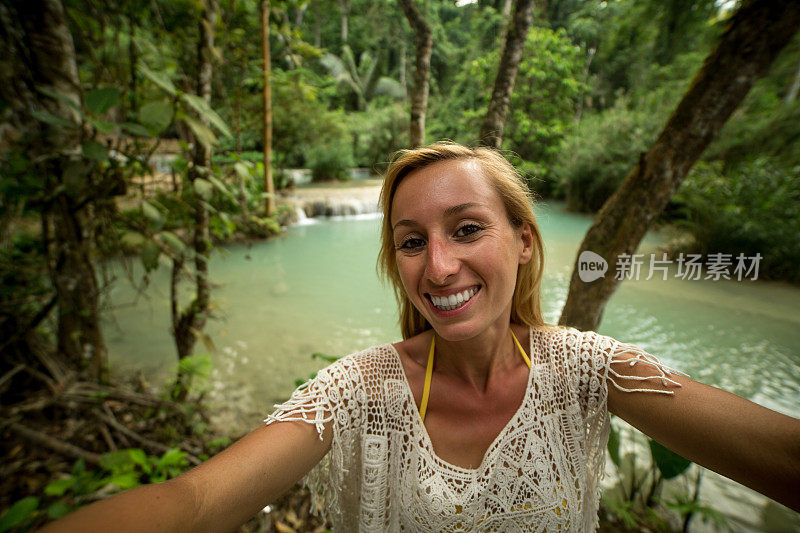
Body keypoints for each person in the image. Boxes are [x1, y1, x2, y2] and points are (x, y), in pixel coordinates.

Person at [41, 142, 800, 532]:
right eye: (411, 241)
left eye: (467, 229)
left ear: (525, 241)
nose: (438, 266)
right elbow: (197, 500)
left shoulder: (590, 371)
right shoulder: (360, 391)